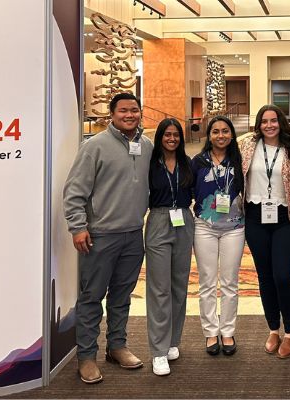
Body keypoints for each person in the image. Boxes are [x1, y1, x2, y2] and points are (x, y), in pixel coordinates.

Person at [63, 92, 152, 384]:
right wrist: (78, 226)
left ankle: (117, 346)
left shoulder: (146, 145)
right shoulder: (94, 146)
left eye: (134, 110)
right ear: (111, 115)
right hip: (100, 237)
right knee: (91, 297)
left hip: (132, 235)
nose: (130, 115)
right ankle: (86, 356)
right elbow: (74, 191)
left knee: (121, 297)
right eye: (124, 111)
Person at [240, 104, 290, 359]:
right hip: (255, 217)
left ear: (281, 123)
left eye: (273, 121)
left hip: (285, 217)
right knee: (264, 276)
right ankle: (273, 329)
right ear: (258, 124)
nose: (269, 125)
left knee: (284, 276)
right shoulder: (246, 146)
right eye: (264, 121)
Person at [192, 115, 245, 357]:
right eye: (215, 131)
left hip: (234, 228)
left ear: (231, 134)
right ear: (209, 135)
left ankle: (228, 331)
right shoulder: (198, 162)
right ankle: (211, 332)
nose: (220, 135)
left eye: (225, 131)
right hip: (204, 227)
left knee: (230, 282)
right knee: (207, 281)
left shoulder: (239, 160)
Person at [145, 118, 194, 376]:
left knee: (179, 285)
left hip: (184, 220)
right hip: (159, 221)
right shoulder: (150, 163)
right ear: (160, 137)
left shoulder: (188, 163)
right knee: (159, 288)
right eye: (167, 135)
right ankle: (158, 351)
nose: (172, 139)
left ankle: (173, 340)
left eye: (176, 135)